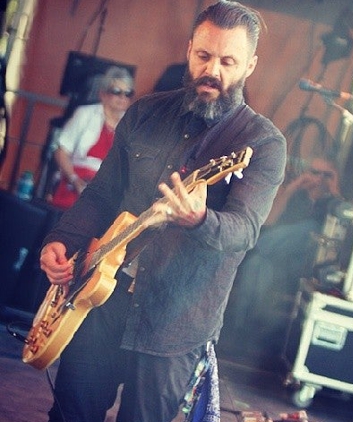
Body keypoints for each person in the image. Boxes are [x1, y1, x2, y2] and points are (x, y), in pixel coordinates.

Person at [38, 2, 286, 421]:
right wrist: (60, 242)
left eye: (228, 61)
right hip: (101, 300)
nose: (214, 71)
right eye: (204, 56)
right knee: (69, 414)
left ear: (250, 66)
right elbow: (101, 196)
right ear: (189, 49)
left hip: (176, 322)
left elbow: (244, 231)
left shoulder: (263, 143)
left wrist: (200, 220)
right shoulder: (144, 112)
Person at [226, 155, 341, 349]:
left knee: (310, 228)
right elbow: (269, 221)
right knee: (257, 265)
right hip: (277, 259)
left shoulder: (333, 203)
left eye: (326, 175)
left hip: (305, 263)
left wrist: (335, 188)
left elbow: (343, 228)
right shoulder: (296, 195)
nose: (319, 179)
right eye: (315, 173)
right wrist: (291, 189)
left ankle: (258, 246)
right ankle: (242, 330)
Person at [50, 66, 135, 209]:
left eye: (128, 93)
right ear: (103, 94)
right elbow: (61, 151)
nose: (122, 97)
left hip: (107, 191)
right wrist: (74, 179)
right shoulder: (84, 114)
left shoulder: (131, 125)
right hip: (76, 183)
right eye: (116, 92)